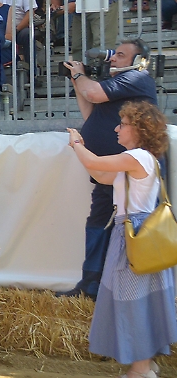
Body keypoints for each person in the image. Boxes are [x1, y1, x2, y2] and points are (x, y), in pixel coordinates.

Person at [68, 101, 177, 378]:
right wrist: (80, 150)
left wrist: (77, 142)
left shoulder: (138, 156)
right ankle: (144, 368)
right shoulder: (137, 159)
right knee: (136, 303)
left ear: (138, 129)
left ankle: (141, 372)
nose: (117, 128)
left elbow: (95, 164)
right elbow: (102, 175)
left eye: (123, 123)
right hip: (132, 235)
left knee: (133, 305)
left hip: (133, 236)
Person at [57, 39, 157, 299]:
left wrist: (81, 75)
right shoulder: (115, 86)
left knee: (126, 231)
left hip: (130, 174)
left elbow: (93, 94)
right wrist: (76, 80)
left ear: (137, 62)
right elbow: (90, 111)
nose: (112, 58)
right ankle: (90, 284)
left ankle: (126, 289)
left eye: (120, 55)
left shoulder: (139, 77)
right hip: (109, 174)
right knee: (98, 224)